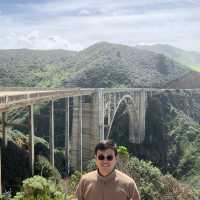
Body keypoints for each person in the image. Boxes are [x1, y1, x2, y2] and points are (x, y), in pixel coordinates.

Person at [76, 140, 140, 200]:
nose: (105, 161)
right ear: (96, 159)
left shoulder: (128, 184)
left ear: (116, 158)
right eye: (101, 157)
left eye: (109, 157)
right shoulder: (84, 181)